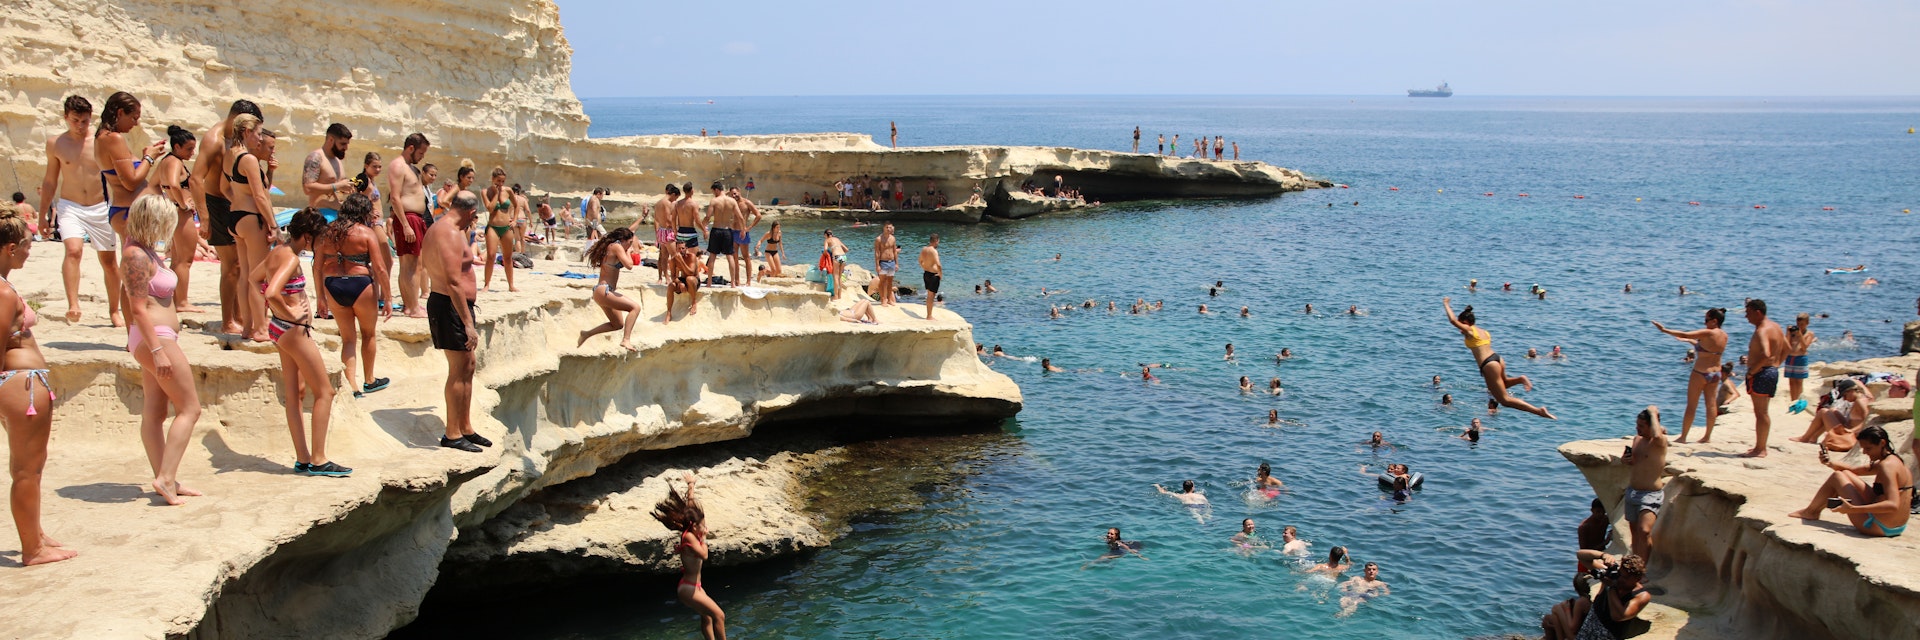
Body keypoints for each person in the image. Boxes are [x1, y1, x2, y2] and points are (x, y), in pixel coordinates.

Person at [0, 210, 76, 564]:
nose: (29, 253)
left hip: (23, 384)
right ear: (9, 248)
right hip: (20, 385)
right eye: (26, 248)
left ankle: (36, 535)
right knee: (26, 471)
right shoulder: (1, 291)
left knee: (32, 466)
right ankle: (32, 549)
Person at [249, 208, 347, 476]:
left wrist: (280, 311)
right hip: (293, 330)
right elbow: (271, 291)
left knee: (295, 394)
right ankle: (318, 459)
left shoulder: (276, 251)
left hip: (278, 329)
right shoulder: (291, 258)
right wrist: (290, 312)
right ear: (307, 236)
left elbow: (254, 278)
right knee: (325, 392)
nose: (321, 244)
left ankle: (303, 458)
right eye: (318, 239)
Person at [120, 195, 201, 504]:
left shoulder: (144, 251)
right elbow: (137, 308)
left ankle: (165, 478)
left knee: (154, 412)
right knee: (190, 408)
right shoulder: (136, 256)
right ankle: (166, 477)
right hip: (156, 337)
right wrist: (155, 350)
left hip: (154, 337)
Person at [41, 96, 123, 326]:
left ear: (91, 118)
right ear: (66, 117)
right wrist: (42, 216)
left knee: (109, 261)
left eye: (85, 121)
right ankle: (73, 305)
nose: (80, 125)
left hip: (100, 206)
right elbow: (50, 181)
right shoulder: (56, 143)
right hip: (70, 205)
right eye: (75, 120)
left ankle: (114, 310)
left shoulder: (99, 141)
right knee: (73, 251)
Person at [422, 190, 488, 453]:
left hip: (455, 306)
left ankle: (465, 426)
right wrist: (467, 323)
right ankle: (452, 433)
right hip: (449, 305)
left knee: (468, 365)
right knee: (458, 368)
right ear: (471, 212)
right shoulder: (448, 232)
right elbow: (452, 281)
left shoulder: (446, 229)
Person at [316, 194, 390, 398]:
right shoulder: (366, 233)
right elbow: (380, 268)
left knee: (348, 339)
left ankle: (352, 387)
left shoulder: (327, 232)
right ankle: (369, 380)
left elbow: (316, 266)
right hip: (360, 284)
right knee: (368, 334)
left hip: (333, 285)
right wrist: (389, 298)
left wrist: (320, 297)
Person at [1790, 425, 1912, 537]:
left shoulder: (1887, 467)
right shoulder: (1894, 460)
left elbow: (1893, 505)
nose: (1865, 452)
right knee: (1846, 473)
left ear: (1882, 443)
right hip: (1897, 527)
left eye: (1868, 448)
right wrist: (1830, 463)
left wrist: (1852, 509)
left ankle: (1811, 512)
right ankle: (1812, 511)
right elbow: (1855, 471)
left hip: (1878, 526)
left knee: (1837, 477)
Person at [1444, 297, 1555, 419]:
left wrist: (1446, 304)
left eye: (1461, 325)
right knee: (1504, 384)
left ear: (1465, 322)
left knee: (1504, 400)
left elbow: (1453, 320)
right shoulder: (1483, 332)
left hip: (1489, 364)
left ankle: (1539, 411)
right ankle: (1520, 379)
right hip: (1497, 359)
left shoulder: (1470, 331)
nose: (1460, 329)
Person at [651, 472, 726, 640]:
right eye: (701, 526)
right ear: (693, 526)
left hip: (695, 586)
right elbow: (704, 555)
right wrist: (705, 538)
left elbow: (690, 506)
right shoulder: (689, 537)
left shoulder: (693, 530)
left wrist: (691, 486)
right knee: (719, 616)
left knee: (707, 617)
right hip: (689, 589)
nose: (704, 528)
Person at [222, 113, 277, 341]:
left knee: (246, 275)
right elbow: (260, 196)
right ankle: (261, 328)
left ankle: (247, 328)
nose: (259, 139)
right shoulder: (249, 159)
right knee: (259, 278)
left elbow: (225, 187)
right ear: (246, 132)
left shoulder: (230, 155)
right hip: (251, 218)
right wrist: (273, 225)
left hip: (235, 217)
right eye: (257, 133)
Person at [142, 125, 204, 314]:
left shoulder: (165, 161)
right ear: (176, 147)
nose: (192, 153)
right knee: (184, 261)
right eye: (188, 149)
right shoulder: (175, 162)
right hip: (180, 214)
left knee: (176, 260)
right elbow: (174, 185)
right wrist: (183, 204)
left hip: (172, 213)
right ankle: (182, 302)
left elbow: (152, 186)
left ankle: (174, 298)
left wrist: (166, 204)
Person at [1652, 308, 1730, 443]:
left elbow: (1685, 333)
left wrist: (1664, 330)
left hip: (1701, 372)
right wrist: (1689, 342)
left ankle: (1683, 437)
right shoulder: (1724, 335)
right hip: (1716, 372)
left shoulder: (1708, 332)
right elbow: (1707, 349)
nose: (1705, 323)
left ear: (1714, 321)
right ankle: (1707, 437)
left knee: (1691, 405)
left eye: (1706, 320)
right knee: (1711, 405)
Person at [1541, 555, 1651, 640]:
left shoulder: (1641, 595)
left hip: (1605, 635)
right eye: (1620, 574)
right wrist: (1603, 555)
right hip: (1588, 628)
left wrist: (1611, 587)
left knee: (1556, 611)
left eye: (1625, 577)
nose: (1620, 578)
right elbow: (1582, 556)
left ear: (1637, 578)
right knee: (1549, 619)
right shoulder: (1614, 578)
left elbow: (1618, 616)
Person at [386, 133, 432, 318]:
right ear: (411, 148)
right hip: (408, 218)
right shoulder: (398, 166)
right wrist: (405, 225)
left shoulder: (412, 168)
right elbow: (395, 197)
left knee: (409, 264)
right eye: (421, 152)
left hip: (415, 218)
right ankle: (412, 307)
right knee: (411, 265)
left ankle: (409, 305)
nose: (422, 157)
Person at [578, 228, 643, 351]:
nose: (629, 245)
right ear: (623, 240)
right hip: (604, 290)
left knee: (617, 324)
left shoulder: (613, 246)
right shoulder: (616, 246)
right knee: (635, 308)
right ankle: (626, 340)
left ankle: (586, 334)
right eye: (629, 242)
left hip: (602, 292)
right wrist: (628, 251)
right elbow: (629, 265)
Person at [1743, 299, 1790, 457]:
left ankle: (1760, 449)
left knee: (1761, 413)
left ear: (1758, 312)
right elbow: (1787, 348)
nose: (1746, 317)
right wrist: (1776, 364)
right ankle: (1760, 446)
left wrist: (1752, 372)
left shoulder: (1762, 330)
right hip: (1770, 371)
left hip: (1761, 373)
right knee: (1763, 412)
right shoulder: (1775, 327)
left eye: (1748, 313)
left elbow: (1766, 354)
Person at [1622, 406, 1668, 560]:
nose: (1637, 429)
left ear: (1652, 425)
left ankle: (1643, 568)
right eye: (1637, 425)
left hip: (1650, 494)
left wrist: (1653, 412)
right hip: (1632, 492)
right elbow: (1634, 461)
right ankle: (1635, 566)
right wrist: (1625, 460)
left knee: (1644, 531)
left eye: (1641, 426)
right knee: (1634, 532)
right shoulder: (1637, 439)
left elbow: (1656, 434)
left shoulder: (1659, 442)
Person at [1793, 379, 1871, 449]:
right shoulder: (1862, 398)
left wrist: (1851, 430)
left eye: (1844, 395)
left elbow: (1868, 420)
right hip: (1849, 430)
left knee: (1823, 412)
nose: (1844, 399)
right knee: (1832, 411)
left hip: (1850, 436)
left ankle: (1805, 438)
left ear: (1851, 391)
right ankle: (1813, 437)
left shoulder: (1860, 402)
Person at [479, 168, 518, 292]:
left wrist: (515, 219)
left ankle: (511, 285)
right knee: (491, 255)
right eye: (498, 180)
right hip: (493, 226)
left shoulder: (508, 190)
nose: (500, 183)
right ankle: (486, 284)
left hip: (507, 227)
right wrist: (496, 193)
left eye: (502, 181)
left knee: (508, 257)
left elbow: (516, 205)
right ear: (493, 179)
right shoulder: (485, 191)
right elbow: (490, 208)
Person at [703, 183, 742, 287]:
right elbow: (740, 217)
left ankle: (709, 282)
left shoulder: (714, 201)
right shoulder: (732, 201)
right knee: (730, 256)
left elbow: (708, 217)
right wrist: (742, 230)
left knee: (712, 256)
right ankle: (733, 283)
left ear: (716, 190)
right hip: (727, 230)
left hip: (716, 230)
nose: (713, 194)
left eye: (713, 191)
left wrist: (704, 228)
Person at [663, 241, 703, 323]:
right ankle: (669, 312)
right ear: (676, 249)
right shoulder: (673, 260)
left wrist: (681, 261)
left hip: (694, 280)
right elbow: (673, 276)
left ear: (686, 249)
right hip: (683, 280)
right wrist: (679, 283)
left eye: (683, 248)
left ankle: (694, 302)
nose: (681, 250)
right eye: (679, 248)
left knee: (689, 279)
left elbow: (691, 273)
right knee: (671, 286)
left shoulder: (691, 257)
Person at [1784, 313, 1815, 401]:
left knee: (1799, 381)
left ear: (1807, 323)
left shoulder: (1809, 334)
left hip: (1801, 358)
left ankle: (1799, 400)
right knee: (1792, 382)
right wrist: (1788, 333)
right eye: (1798, 324)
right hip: (1791, 358)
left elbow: (1804, 347)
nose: (1799, 326)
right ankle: (1793, 400)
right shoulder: (1792, 333)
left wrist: (1800, 334)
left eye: (1802, 324)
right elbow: (1786, 344)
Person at [872, 222, 900, 305]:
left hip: (891, 262)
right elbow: (877, 252)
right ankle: (883, 299)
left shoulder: (893, 238)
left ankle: (889, 299)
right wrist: (877, 265)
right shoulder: (879, 239)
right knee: (882, 282)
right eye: (887, 227)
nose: (888, 229)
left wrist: (897, 263)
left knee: (890, 282)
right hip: (883, 262)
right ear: (883, 228)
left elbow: (894, 251)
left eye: (890, 227)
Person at [919, 233, 942, 320]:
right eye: (938, 241)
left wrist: (924, 267)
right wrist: (940, 274)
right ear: (936, 241)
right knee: (931, 296)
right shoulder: (934, 251)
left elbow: (920, 260)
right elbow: (938, 264)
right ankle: (929, 316)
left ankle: (929, 315)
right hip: (933, 275)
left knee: (929, 295)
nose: (938, 243)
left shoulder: (924, 249)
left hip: (926, 273)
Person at [822, 229, 849, 300]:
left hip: (836, 257)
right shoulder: (837, 239)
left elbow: (825, 250)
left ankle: (836, 296)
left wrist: (826, 255)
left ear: (825, 235)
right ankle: (840, 295)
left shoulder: (827, 240)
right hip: (843, 256)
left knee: (836, 277)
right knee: (840, 276)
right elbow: (846, 249)